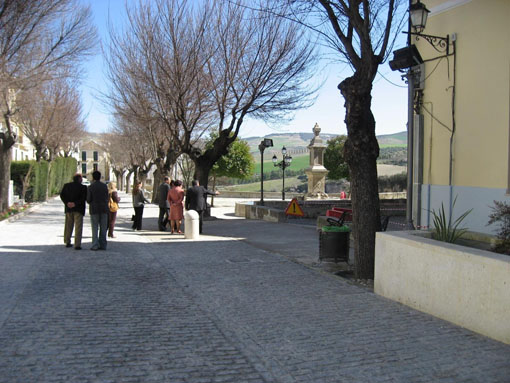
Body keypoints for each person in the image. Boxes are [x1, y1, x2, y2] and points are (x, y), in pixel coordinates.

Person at [60, 173, 87, 250]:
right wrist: (75, 203)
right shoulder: (83, 187)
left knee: (68, 226)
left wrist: (67, 203)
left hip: (69, 209)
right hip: (78, 209)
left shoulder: (66, 186)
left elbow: (62, 195)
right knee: (78, 227)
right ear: (79, 179)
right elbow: (83, 198)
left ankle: (67, 241)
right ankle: (77, 244)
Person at [87, 170, 109, 250]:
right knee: (103, 227)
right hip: (104, 209)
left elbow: (88, 199)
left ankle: (95, 245)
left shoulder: (90, 187)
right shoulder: (104, 186)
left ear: (93, 177)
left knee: (95, 227)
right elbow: (107, 197)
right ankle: (103, 244)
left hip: (94, 209)